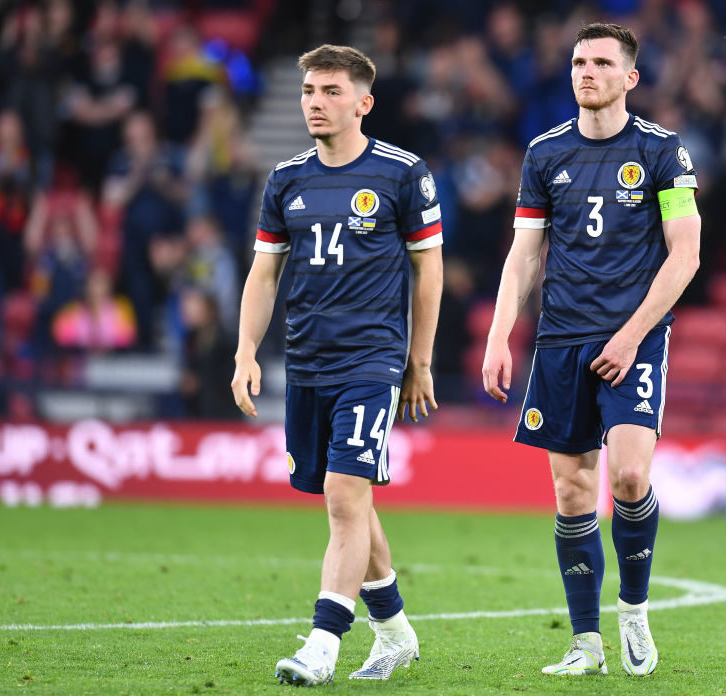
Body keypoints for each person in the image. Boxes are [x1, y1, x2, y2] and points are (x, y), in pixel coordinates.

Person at [482, 23, 701, 677]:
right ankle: (586, 641)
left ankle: (633, 610)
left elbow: (685, 254)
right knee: (572, 492)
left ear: (630, 78)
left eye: (603, 62)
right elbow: (524, 255)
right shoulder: (545, 154)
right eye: (579, 61)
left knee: (630, 477)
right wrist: (499, 335)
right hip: (561, 339)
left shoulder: (663, 152)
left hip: (633, 337)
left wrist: (632, 335)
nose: (587, 71)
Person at [230, 44, 443, 685]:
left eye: (329, 92)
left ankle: (324, 642)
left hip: (372, 358)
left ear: (362, 102)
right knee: (349, 499)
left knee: (344, 495)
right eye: (307, 92)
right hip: (307, 362)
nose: (315, 103)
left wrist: (420, 360)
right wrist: (244, 351)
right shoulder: (287, 178)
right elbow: (265, 272)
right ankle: (395, 631)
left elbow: (427, 267)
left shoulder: (402, 174)